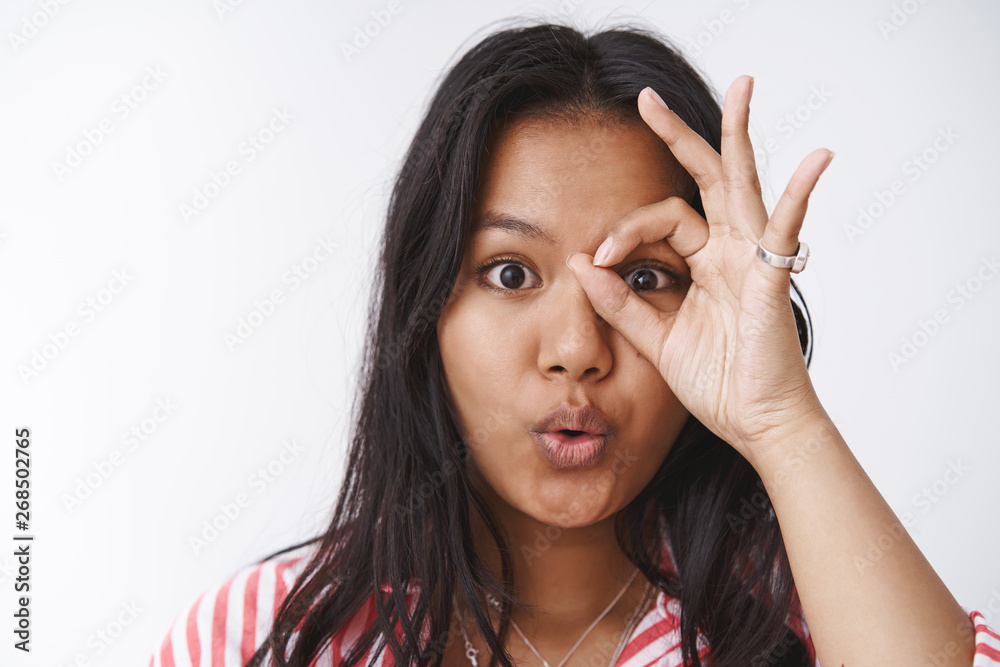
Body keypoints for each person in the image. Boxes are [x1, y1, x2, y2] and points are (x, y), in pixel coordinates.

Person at [148, 20, 1000, 667]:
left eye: (643, 277)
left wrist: (780, 418)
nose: (577, 348)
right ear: (427, 307)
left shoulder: (808, 620)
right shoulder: (263, 636)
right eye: (511, 273)